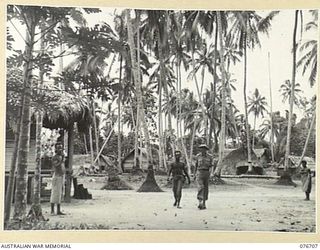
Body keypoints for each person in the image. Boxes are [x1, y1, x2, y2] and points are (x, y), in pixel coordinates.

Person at [194, 144, 213, 210]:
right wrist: (194, 174)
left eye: (203, 148)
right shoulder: (198, 156)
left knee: (205, 188)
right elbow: (196, 165)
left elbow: (211, 166)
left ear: (206, 149)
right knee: (200, 187)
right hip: (199, 172)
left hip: (206, 172)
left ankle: (204, 203)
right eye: (201, 148)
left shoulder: (210, 157)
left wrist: (211, 173)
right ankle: (200, 202)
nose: (202, 150)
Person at [50, 142, 66, 215]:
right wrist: (61, 160)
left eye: (61, 148)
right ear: (56, 149)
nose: (60, 149)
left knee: (59, 193)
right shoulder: (55, 157)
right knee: (54, 193)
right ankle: (52, 210)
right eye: (59, 148)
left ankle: (58, 210)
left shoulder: (61, 157)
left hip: (61, 176)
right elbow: (55, 165)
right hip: (57, 176)